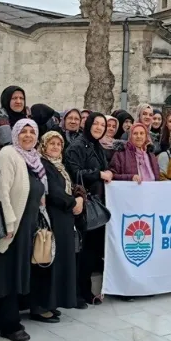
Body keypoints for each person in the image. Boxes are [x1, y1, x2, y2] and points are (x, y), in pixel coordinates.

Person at [0, 119, 47, 341]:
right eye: (24, 132)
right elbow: (1, 192)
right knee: (8, 274)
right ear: (15, 134)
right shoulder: (8, 154)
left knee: (16, 273)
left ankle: (3, 318)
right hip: (12, 226)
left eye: (33, 132)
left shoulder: (34, 159)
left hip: (27, 225)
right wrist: (8, 224)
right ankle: (9, 324)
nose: (28, 136)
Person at [32, 132, 85, 320]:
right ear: (44, 146)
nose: (55, 147)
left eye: (58, 144)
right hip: (53, 217)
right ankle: (40, 305)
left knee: (58, 261)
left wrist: (79, 198)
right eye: (51, 144)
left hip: (63, 218)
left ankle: (51, 302)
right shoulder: (43, 165)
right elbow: (54, 192)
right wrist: (74, 203)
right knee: (48, 261)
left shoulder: (59, 166)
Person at [66, 113, 111, 307]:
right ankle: (76, 292)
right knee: (81, 251)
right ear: (89, 124)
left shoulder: (96, 146)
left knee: (91, 251)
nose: (99, 127)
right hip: (83, 205)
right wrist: (98, 174)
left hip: (96, 207)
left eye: (103, 125)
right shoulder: (77, 146)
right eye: (96, 123)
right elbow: (74, 172)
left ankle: (85, 290)